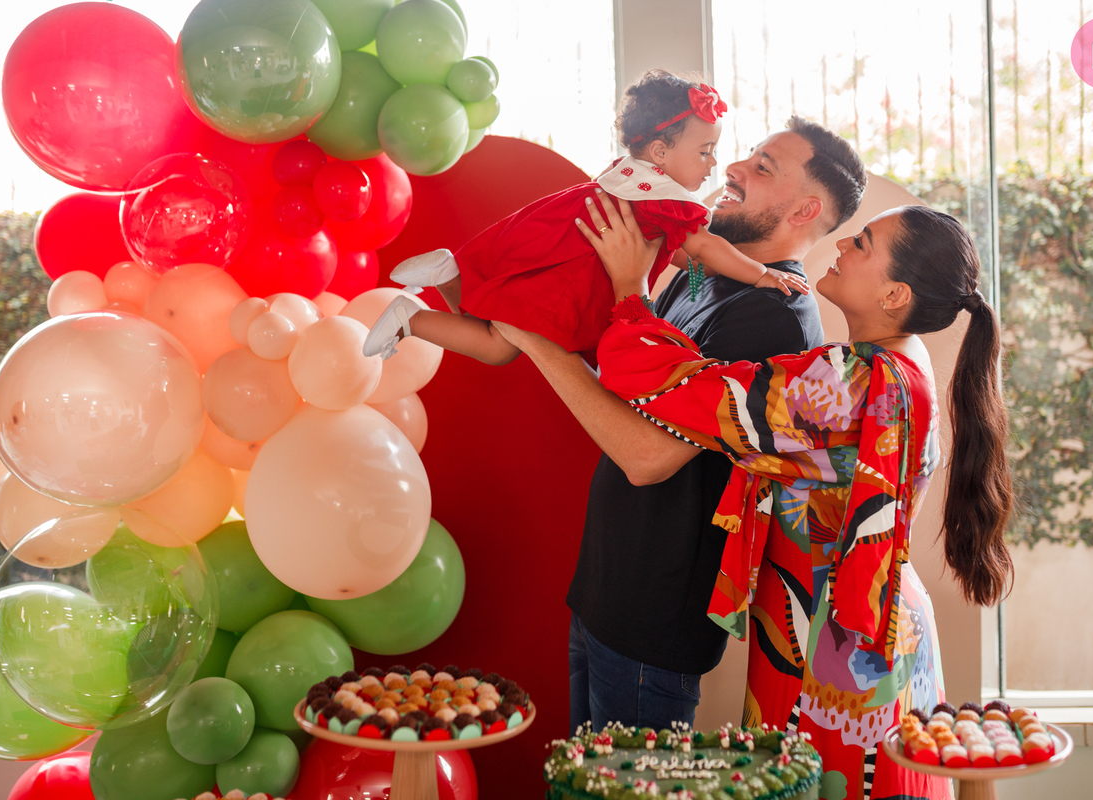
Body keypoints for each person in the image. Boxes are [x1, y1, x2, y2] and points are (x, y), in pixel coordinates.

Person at [505, 198, 1015, 800]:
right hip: (864, 619)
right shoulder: (903, 362)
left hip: (834, 636)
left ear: (895, 295)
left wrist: (627, 287)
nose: (845, 244)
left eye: (865, 244)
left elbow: (695, 394)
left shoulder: (850, 383)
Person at [484, 115, 867, 734]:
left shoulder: (774, 317)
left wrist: (539, 335)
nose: (733, 169)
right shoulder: (705, 276)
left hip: (652, 621)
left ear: (805, 211)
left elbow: (647, 456)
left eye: (762, 167)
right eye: (744, 156)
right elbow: (628, 383)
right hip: (607, 592)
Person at [361, 70, 810, 365]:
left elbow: (669, 251)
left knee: (485, 319)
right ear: (660, 151)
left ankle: (449, 274)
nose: (714, 164)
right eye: (704, 152)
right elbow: (706, 245)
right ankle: (410, 318)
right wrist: (759, 276)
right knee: (499, 349)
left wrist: (690, 263)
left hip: (551, 242)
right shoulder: (667, 200)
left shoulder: (629, 176)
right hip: (571, 277)